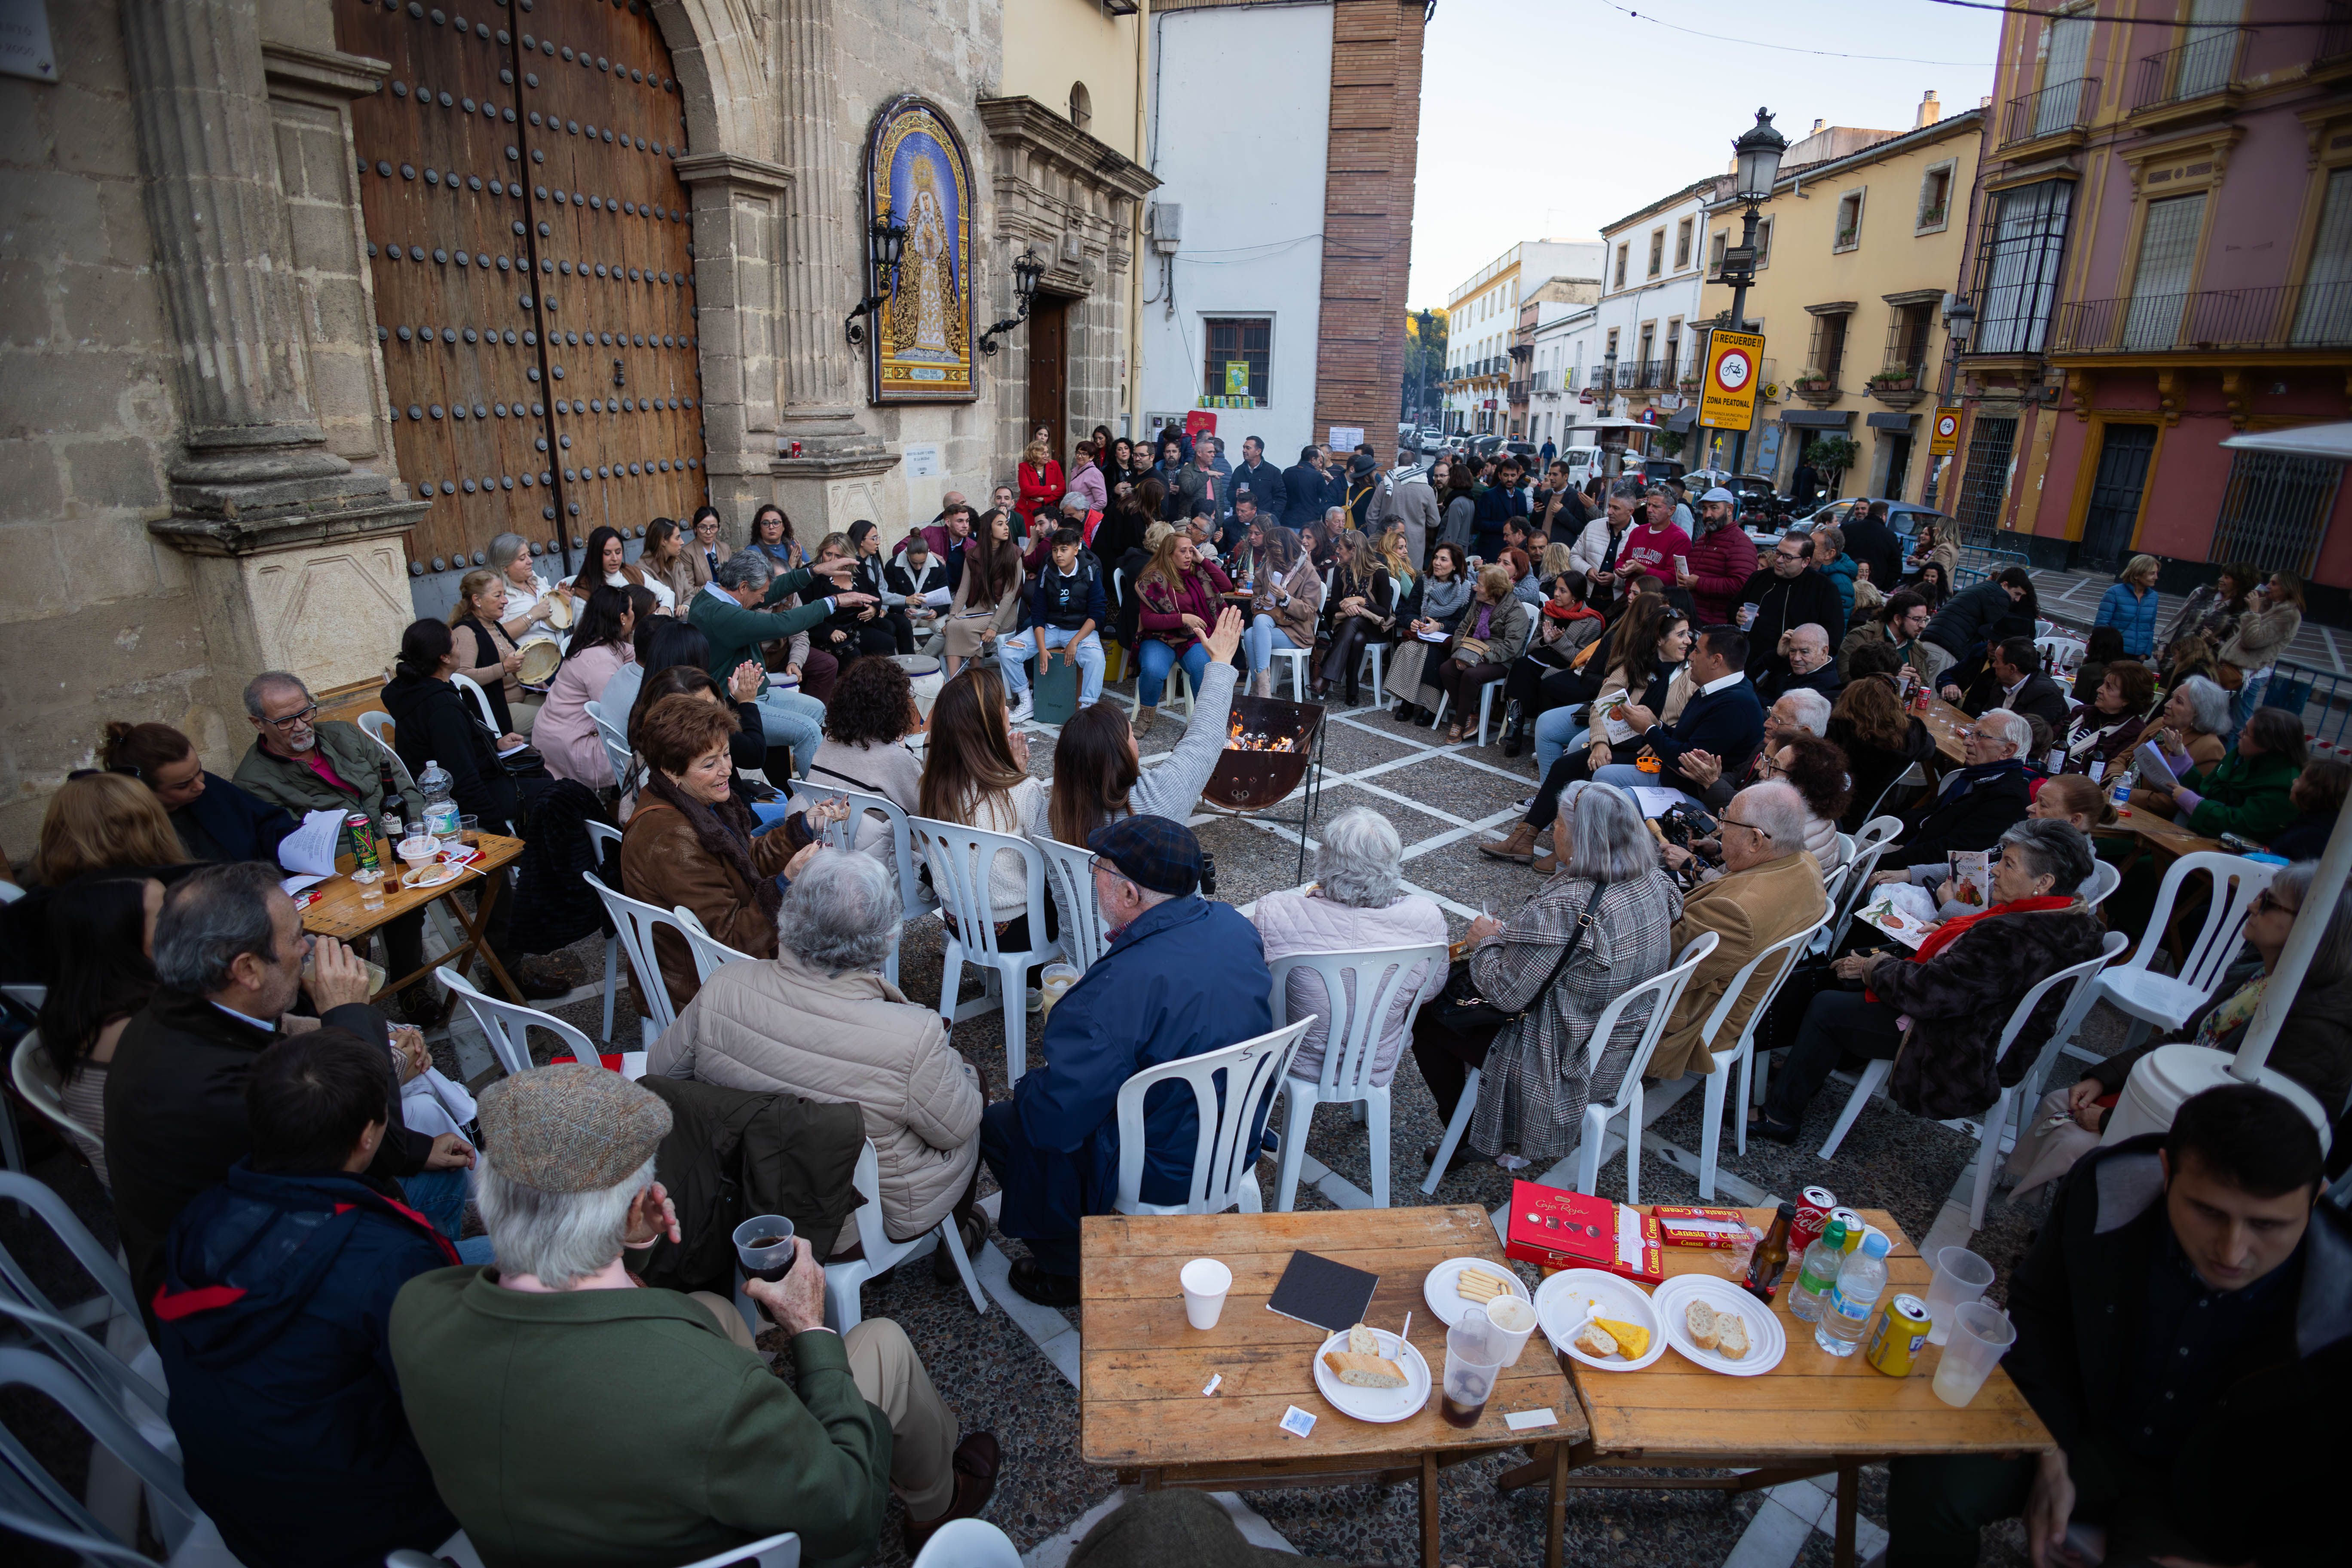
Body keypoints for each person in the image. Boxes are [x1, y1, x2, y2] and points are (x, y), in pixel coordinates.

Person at [392, 1065, 1000, 1565]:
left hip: (549, 1527)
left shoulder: (417, 1312)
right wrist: (812, 1330)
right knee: (883, 1345)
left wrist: (630, 1243)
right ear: (636, 1205)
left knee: (710, 1307)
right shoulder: (703, 1395)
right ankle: (937, 1504)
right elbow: (845, 1521)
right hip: (735, 1541)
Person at [1887, 1085, 2346, 1568]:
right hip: (2086, 1425)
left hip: (2222, 1504)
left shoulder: (2341, 1307)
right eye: (2208, 1212)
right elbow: (2042, 1309)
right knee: (1931, 1479)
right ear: (2167, 1173)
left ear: (2314, 1201)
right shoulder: (2106, 1189)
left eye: (2268, 1226)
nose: (2232, 1252)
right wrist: (2050, 1443)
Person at [155, 1028, 463, 1568]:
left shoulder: (200, 1217)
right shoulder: (387, 1261)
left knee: (448, 1196)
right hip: (371, 1523)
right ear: (368, 1137)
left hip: (245, 1508)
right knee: (525, 1282)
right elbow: (451, 1401)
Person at [105, 862, 469, 1318]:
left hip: (258, 1234)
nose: (308, 949)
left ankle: (425, 1276)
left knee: (439, 1169)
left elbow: (376, 1144)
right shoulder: (216, 1091)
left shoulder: (182, 1006)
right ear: (247, 969)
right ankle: (433, 1307)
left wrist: (412, 1150)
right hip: (263, 1304)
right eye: (298, 936)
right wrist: (348, 1015)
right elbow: (367, 1141)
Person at [980, 816, 1272, 1306]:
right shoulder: (1235, 927)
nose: (1093, 876)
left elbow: (1055, 1121)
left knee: (1009, 1124)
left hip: (1162, 1166)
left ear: (1131, 895)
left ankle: (1068, 1270)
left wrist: (1029, 1086)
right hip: (1238, 1134)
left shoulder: (1114, 994)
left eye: (1099, 868)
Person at [652, 848, 986, 1256]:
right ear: (887, 939)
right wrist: (959, 1069)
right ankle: (960, 1238)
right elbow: (957, 1128)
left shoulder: (724, 984)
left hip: (744, 1195)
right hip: (854, 1221)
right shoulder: (912, 1035)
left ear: (787, 919)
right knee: (973, 1085)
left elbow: (660, 1073)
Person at [2006, 861, 2349, 1203]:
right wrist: (2104, 1078)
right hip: (2184, 1106)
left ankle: (2076, 1239)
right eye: (2262, 895)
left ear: (2313, 929)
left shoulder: (2315, 1027)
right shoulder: (2261, 973)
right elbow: (2187, 1039)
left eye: (2269, 903)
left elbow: (2247, 1135)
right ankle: (2050, 1222)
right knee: (2060, 1101)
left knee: (2078, 1143)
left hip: (2216, 1156)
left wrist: (2110, 1121)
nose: (2251, 905)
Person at [1760, 819, 2110, 1143]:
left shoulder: (2015, 936)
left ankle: (1781, 1117)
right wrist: (1946, 936)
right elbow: (1976, 977)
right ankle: (1810, 1069)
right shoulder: (2073, 919)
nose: (1996, 872)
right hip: (1989, 1026)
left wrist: (1874, 967)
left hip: (1962, 1047)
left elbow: (1932, 994)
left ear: (2044, 883)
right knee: (1854, 974)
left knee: (1828, 1005)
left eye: (2009, 865)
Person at [1415, 781, 1681, 1172]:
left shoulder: (1569, 905)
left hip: (1563, 1052)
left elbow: (1507, 996)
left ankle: (1469, 1134)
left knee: (1426, 1017)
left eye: (1558, 823)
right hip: (1625, 1043)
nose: (1553, 831)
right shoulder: (1656, 879)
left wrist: (1486, 942)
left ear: (1580, 837)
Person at [233, 670, 436, 1015]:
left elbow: (397, 779)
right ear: (258, 723)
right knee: (382, 906)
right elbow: (296, 846)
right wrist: (371, 860)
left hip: (400, 841)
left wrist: (414, 829)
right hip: (343, 871)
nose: (300, 726)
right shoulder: (253, 781)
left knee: (486, 867)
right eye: (285, 721)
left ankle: (503, 967)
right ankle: (373, 1001)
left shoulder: (341, 734)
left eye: (305, 712)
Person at [619, 693, 833, 1012]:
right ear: (672, 771)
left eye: (726, 755)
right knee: (842, 960)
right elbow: (731, 941)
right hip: (702, 984)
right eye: (710, 764)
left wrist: (802, 828)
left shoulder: (694, 802)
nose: (727, 771)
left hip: (718, 958)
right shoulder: (672, 838)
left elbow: (742, 862)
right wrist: (785, 885)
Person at [1251, 806, 1446, 1100]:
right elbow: (1430, 990)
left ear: (1325, 859)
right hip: (1377, 1064)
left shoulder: (1279, 911)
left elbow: (1253, 984)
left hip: (1296, 1059)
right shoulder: (1427, 917)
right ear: (1392, 865)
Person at [1647, 781, 1831, 1083]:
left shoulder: (1736, 913)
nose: (1718, 830)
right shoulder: (1805, 862)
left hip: (1694, 1024)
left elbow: (1656, 965)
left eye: (1726, 822)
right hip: (1745, 1001)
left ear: (1756, 841)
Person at [1482, 601, 1693, 866]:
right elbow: (1601, 707)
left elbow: (1688, 723)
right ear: (1660, 639)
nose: (1688, 642)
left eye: (1689, 635)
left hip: (1652, 754)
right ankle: (1523, 839)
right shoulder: (1636, 666)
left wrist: (1661, 738)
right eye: (1681, 635)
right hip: (1622, 743)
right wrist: (1599, 743)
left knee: (1590, 774)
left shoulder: (1689, 676)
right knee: (1564, 766)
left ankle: (1569, 852)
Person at [1035, 610, 1244, 853]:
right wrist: (1220, 662)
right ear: (1118, 756)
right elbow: (1203, 739)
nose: (1136, 741)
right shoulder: (1155, 801)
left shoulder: (1047, 821)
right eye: (1130, 736)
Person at [688, 547, 863, 778]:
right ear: (743, 587)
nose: (764, 600)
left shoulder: (715, 595)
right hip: (733, 706)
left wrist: (813, 571)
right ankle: (820, 799)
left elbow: (771, 591)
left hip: (756, 692)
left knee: (819, 709)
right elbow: (781, 624)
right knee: (807, 731)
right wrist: (833, 602)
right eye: (760, 594)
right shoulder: (720, 614)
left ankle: (827, 774)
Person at [34, 876, 162, 1186]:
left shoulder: (87, 1004)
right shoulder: (132, 1029)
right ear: (122, 940)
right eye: (166, 917)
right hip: (173, 1198)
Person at [920, 665, 1052, 940]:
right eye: (1003, 705)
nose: (1007, 710)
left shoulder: (932, 783)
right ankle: (1027, 981)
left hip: (957, 922)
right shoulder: (1025, 789)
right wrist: (1019, 776)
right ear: (990, 722)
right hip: (1013, 928)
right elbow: (1046, 859)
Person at [380, 618, 525, 836]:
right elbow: (465, 781)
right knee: (557, 793)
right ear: (445, 657)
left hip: (460, 787)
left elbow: (451, 747)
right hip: (456, 804)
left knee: (542, 780)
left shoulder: (415, 688)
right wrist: (504, 834)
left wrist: (494, 743)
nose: (459, 649)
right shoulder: (441, 707)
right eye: (456, 643)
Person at [1594, 624, 1765, 804]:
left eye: (1697, 651)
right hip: (1673, 777)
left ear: (1716, 661)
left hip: (1692, 792)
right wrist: (1657, 725)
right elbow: (1686, 740)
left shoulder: (1735, 705)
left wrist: (1648, 729)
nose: (1691, 657)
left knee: (1604, 782)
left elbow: (1686, 763)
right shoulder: (1716, 687)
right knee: (1601, 774)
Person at [100, 719, 295, 865]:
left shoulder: (208, 787)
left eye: (199, 771)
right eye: (183, 785)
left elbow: (266, 823)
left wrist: (294, 846)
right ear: (144, 791)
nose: (200, 785)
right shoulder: (129, 833)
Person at [792, 655, 925, 855]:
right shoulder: (896, 760)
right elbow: (924, 816)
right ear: (895, 708)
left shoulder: (828, 740)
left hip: (822, 857)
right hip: (881, 869)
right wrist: (902, 750)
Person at [1882, 707, 2034, 868]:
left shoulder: (2009, 799)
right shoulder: (1975, 777)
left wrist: (1881, 862)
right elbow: (1929, 813)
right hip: (1908, 849)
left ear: (2008, 750)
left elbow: (1952, 853)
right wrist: (1924, 823)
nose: (1967, 741)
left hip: (1921, 872)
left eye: (1980, 736)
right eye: (1971, 734)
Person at [2138, 705, 2305, 840]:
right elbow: (2209, 791)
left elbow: (2241, 825)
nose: (2240, 734)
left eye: (2246, 733)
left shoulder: (2283, 784)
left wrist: (2195, 803)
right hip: (2198, 838)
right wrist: (2182, 760)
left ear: (2268, 745)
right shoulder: (2240, 757)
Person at [1131, 523, 1234, 734]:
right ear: (1169, 555)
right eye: (1183, 551)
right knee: (1153, 669)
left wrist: (1203, 560)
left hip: (1192, 638)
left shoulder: (1197, 573)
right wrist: (1183, 618)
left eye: (1191, 551)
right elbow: (1149, 620)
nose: (1189, 556)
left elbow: (1226, 587)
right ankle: (1145, 719)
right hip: (1160, 638)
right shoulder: (1153, 578)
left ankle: (1205, 722)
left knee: (1204, 669)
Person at [999, 525, 1109, 719]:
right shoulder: (1048, 570)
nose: (1058, 555)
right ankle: (1027, 701)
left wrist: (1075, 642)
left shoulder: (1091, 570)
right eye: (1055, 549)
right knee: (1008, 652)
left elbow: (1098, 614)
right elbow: (1039, 612)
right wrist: (1041, 649)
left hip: (1080, 630)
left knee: (1096, 658)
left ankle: (1087, 710)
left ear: (1077, 549)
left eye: (1064, 549)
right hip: (1050, 628)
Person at [533, 585, 637, 789]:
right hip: (570, 745)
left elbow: (630, 652)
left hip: (552, 732)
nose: (635, 614)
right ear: (623, 618)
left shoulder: (595, 641)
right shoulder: (600, 663)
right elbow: (616, 716)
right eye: (632, 610)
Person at [1497, 570, 1607, 756]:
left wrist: (1558, 642)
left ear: (1575, 596)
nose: (1556, 594)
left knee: (1532, 674)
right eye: (1556, 588)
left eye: (1563, 591)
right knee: (1521, 665)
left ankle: (1527, 731)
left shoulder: (1591, 621)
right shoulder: (1547, 611)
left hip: (1563, 667)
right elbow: (1531, 646)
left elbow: (1580, 659)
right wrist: (1544, 641)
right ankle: (1514, 729)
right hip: (1537, 659)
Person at [1827, 645, 1939, 828]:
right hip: (1862, 816)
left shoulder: (1835, 725)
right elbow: (1929, 748)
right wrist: (1899, 714)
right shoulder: (1907, 735)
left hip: (1832, 811)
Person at [1427, 564, 1529, 743]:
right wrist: (1460, 653)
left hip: (1500, 659)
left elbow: (1510, 647)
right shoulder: (1479, 602)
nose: (1475, 587)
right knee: (1446, 669)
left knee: (1471, 674)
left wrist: (1476, 659)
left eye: (1480, 585)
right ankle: (1470, 714)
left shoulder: (1516, 611)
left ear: (1493, 590)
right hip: (1471, 650)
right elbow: (1462, 630)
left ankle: (1459, 722)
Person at [1732, 534, 1846, 681]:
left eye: (1788, 557)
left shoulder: (1824, 589)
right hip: (1750, 665)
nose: (1779, 560)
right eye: (1778, 552)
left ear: (1806, 561)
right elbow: (1735, 607)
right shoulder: (1759, 578)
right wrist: (1738, 615)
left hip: (1793, 673)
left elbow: (1833, 639)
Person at [1385, 541, 1473, 723]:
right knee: (1409, 649)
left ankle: (1429, 706)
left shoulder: (1465, 590)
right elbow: (1410, 610)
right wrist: (1413, 622)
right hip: (1422, 634)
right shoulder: (1424, 581)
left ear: (1455, 565)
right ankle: (1407, 701)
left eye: (1443, 560)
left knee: (1431, 654)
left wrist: (1439, 627)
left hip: (1447, 639)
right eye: (1435, 558)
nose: (1437, 563)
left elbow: (1462, 623)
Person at [447, 567, 541, 736]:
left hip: (522, 696)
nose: (505, 601)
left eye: (504, 594)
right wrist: (503, 668)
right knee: (560, 718)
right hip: (498, 710)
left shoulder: (494, 625)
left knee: (567, 706)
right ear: (477, 600)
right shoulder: (466, 631)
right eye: (498, 595)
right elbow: (461, 678)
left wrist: (535, 681)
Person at [944, 507, 1026, 680]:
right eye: (1000, 524)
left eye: (1006, 524)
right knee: (953, 626)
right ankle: (954, 682)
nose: (1006, 528)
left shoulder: (1015, 554)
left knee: (966, 627)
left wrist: (994, 626)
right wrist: (951, 616)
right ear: (988, 530)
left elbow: (1010, 596)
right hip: (981, 608)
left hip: (1005, 614)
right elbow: (964, 589)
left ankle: (978, 680)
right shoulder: (973, 555)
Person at [1920, 565, 2037, 685]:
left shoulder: (1983, 588)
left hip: (1929, 640)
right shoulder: (2000, 596)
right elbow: (1995, 630)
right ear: (2005, 585)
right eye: (2017, 593)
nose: (2017, 599)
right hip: (1946, 649)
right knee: (1931, 697)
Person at [2219, 570, 2306, 722]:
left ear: (2287, 588)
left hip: (2250, 674)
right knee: (2221, 716)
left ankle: (2235, 746)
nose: (2268, 586)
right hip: (2236, 668)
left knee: (2237, 722)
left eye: (2274, 584)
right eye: (2269, 582)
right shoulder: (2270, 606)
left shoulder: (2289, 615)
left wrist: (2254, 611)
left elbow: (2253, 640)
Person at [1315, 529, 1390, 704]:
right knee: (1357, 636)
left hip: (1376, 626)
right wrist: (1345, 605)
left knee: (1356, 621)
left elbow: (1385, 612)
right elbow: (1332, 606)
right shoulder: (1341, 571)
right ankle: (1352, 690)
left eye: (1341, 548)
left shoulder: (1379, 572)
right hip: (1347, 625)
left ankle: (1325, 677)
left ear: (1354, 550)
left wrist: (1361, 601)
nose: (1337, 552)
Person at [1945, 636, 2071, 735]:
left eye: (1997, 662)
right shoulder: (2002, 681)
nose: (1993, 665)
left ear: (2012, 669)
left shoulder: (2045, 695)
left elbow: (2028, 737)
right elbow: (1988, 716)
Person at [2055, 659, 2155, 778]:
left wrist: (2062, 766)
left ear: (2127, 699)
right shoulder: (2082, 713)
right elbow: (2050, 740)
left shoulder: (2134, 733)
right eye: (2103, 684)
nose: (2099, 690)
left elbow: (2103, 772)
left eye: (2109, 688)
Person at [1675, 486, 1756, 627]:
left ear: (1730, 510)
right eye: (1705, 509)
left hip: (1716, 626)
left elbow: (1741, 585)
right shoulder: (1703, 539)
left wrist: (1699, 583)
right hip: (1693, 618)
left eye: (1714, 508)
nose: (1708, 515)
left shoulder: (1740, 543)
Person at [1612, 486, 1695, 600]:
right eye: (1649, 505)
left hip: (1656, 603)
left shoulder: (1680, 539)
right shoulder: (1638, 532)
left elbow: (1673, 579)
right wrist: (1623, 569)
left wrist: (1642, 569)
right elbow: (1622, 560)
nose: (1650, 510)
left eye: (1656, 506)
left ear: (1671, 510)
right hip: (1630, 598)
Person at [845, 520, 914, 655]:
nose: (878, 542)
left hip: (877, 609)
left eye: (878, 538)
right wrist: (906, 600)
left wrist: (883, 608)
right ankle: (887, 669)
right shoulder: (852, 564)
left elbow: (882, 589)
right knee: (888, 628)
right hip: (860, 614)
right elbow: (867, 594)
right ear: (861, 541)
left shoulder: (875, 560)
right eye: (874, 538)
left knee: (903, 623)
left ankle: (910, 662)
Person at [571, 524, 673, 613]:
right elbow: (585, 632)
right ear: (595, 555)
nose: (615, 558)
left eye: (618, 552)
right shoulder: (583, 592)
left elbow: (666, 592)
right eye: (607, 553)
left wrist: (666, 607)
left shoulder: (631, 572)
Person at [1839, 588, 1934, 682]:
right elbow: (1846, 677)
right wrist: (1892, 677)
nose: (1923, 626)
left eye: (1925, 619)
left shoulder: (1916, 646)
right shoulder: (1863, 636)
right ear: (1898, 619)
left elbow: (1924, 684)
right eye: (1917, 619)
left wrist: (1917, 685)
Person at [2270, 756, 2349, 860]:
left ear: (2314, 791)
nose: (2294, 781)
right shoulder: (2315, 822)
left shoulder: (2313, 837)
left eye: (2300, 779)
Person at [1755, 623, 1843, 706]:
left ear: (1824, 652)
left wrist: (1753, 698)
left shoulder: (1827, 687)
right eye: (1792, 650)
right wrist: (1777, 656)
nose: (1796, 658)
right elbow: (1754, 681)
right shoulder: (1787, 663)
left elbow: (1783, 712)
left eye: (1804, 652)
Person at [1841, 500, 1904, 598]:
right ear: (1884, 515)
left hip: (1846, 582)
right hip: (1874, 587)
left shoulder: (1848, 528)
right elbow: (1896, 567)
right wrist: (1882, 586)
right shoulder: (1889, 536)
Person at [1470, 456, 1530, 560]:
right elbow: (1479, 524)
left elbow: (1524, 522)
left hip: (1515, 552)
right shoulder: (1489, 495)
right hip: (1492, 550)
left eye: (1513, 475)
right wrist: (1506, 527)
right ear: (1500, 475)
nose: (1510, 479)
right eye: (1506, 475)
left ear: (1518, 475)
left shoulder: (1521, 496)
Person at [746, 501, 808, 573]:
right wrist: (790, 567)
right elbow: (763, 583)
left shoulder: (793, 545)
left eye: (776, 523)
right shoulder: (752, 552)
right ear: (760, 528)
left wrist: (800, 565)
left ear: (784, 527)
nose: (771, 527)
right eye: (766, 523)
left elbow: (811, 574)